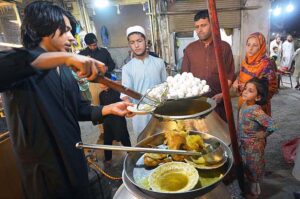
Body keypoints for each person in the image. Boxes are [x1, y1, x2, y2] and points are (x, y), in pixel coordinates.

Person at [0, 1, 133, 198]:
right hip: (45, 176)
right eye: (65, 30)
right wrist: (64, 58)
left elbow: (77, 108)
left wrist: (109, 109)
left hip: (74, 161)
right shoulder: (21, 68)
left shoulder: (63, 70)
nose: (72, 37)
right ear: (44, 27)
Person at [181, 9, 235, 122]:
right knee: (198, 135)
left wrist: (222, 94)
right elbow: (184, 77)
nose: (199, 30)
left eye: (203, 25)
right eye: (197, 27)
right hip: (196, 105)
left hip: (219, 103)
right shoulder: (190, 49)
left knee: (221, 135)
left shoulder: (224, 47)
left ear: (212, 25)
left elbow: (229, 75)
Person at [121, 25, 167, 138]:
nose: (136, 45)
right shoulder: (127, 68)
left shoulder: (159, 63)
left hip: (159, 112)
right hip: (139, 115)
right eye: (132, 42)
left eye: (139, 41)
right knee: (143, 143)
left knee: (163, 141)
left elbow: (166, 87)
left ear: (146, 41)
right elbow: (125, 93)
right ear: (129, 45)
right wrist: (128, 106)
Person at [237, 77, 277, 198]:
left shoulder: (256, 111)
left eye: (250, 91)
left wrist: (263, 134)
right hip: (244, 145)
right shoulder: (244, 104)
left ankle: (255, 194)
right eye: (245, 89)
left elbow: (273, 125)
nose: (244, 91)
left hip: (253, 148)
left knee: (254, 170)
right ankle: (253, 189)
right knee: (247, 168)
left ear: (258, 97)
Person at [233, 32, 277, 116]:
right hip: (243, 103)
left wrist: (253, 92)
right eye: (248, 44)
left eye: (255, 45)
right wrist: (237, 81)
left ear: (261, 47)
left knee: (255, 128)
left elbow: (272, 88)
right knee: (243, 127)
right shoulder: (245, 62)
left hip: (257, 107)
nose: (250, 48)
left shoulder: (266, 65)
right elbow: (241, 76)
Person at [99, 82, 131, 165]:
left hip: (118, 119)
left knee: (124, 137)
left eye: (101, 83)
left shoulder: (117, 92)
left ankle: (131, 154)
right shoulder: (101, 95)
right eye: (99, 83)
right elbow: (102, 108)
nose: (100, 84)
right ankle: (108, 159)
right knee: (107, 140)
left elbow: (123, 104)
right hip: (107, 121)